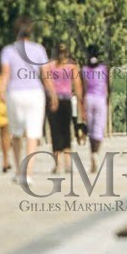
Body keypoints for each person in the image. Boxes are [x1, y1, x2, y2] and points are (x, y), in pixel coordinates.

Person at [2, 16, 54, 185]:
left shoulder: (8, 51)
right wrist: (53, 94)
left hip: (14, 93)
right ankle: (28, 174)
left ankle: (18, 170)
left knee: (16, 133)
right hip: (34, 94)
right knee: (33, 134)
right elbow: (46, 76)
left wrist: (1, 91)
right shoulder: (39, 50)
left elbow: (5, 75)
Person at [44, 45, 81, 174]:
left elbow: (46, 82)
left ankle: (60, 164)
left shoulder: (51, 66)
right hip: (64, 100)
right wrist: (81, 102)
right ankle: (66, 164)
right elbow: (77, 85)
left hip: (55, 100)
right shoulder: (72, 66)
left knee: (57, 132)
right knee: (64, 131)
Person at [80, 48, 111, 173]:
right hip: (100, 99)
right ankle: (96, 153)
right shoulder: (104, 69)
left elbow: (83, 88)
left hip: (89, 99)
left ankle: (92, 154)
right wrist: (108, 100)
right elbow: (108, 86)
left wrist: (82, 105)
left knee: (91, 129)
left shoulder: (84, 69)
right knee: (99, 129)